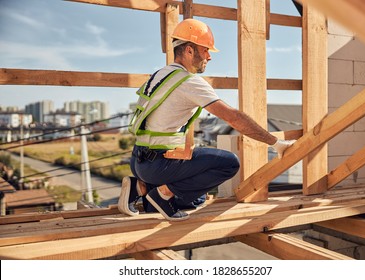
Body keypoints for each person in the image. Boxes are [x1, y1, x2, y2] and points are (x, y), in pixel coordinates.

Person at [118, 18, 295, 221]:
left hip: (139, 161)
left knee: (197, 199)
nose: (209, 57)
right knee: (229, 164)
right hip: (158, 165)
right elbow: (234, 118)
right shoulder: (190, 82)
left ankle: (140, 187)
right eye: (205, 50)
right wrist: (275, 143)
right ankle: (162, 194)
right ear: (189, 51)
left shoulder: (160, 75)